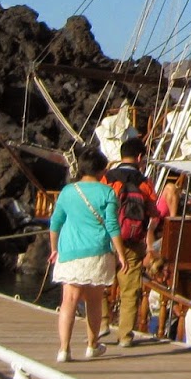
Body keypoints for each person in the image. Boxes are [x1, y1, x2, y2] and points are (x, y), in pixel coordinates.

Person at [47, 154, 128, 363]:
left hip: (69, 251)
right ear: (102, 171)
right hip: (97, 251)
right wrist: (120, 253)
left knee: (69, 301)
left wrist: (54, 248)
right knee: (94, 300)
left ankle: (64, 349)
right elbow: (112, 225)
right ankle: (92, 345)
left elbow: (55, 222)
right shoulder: (108, 192)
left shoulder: (67, 192)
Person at [105, 138, 168, 348]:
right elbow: (154, 211)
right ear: (140, 158)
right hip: (132, 242)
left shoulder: (107, 178)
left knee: (98, 284)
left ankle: (102, 323)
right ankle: (124, 336)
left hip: (107, 240)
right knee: (130, 290)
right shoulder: (144, 182)